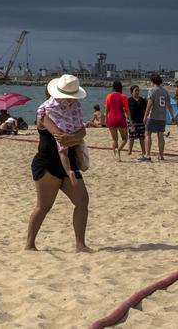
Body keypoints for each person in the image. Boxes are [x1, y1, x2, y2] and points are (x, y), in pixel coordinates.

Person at [26, 74, 92, 253]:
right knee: (44, 206)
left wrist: (75, 136)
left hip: (69, 162)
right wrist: (74, 137)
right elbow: (61, 137)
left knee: (82, 201)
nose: (70, 101)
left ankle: (80, 244)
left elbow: (82, 131)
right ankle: (30, 244)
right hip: (48, 163)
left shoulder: (74, 109)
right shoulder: (44, 113)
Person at [144, 74, 173, 161]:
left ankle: (147, 155)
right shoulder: (165, 91)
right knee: (160, 135)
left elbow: (149, 105)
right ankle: (161, 155)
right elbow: (169, 105)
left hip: (153, 116)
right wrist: (172, 116)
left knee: (148, 134)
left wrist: (145, 116)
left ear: (152, 81)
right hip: (163, 116)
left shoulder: (152, 90)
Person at [104, 81, 129, 160]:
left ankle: (116, 157)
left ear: (113, 87)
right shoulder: (123, 97)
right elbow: (127, 110)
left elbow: (107, 109)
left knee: (114, 139)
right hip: (120, 118)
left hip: (111, 118)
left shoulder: (109, 96)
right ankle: (118, 150)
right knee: (124, 138)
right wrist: (130, 119)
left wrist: (106, 118)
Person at [126, 84, 148, 160]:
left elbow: (145, 110)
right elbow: (126, 111)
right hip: (132, 122)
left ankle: (143, 151)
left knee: (141, 137)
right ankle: (129, 151)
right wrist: (129, 120)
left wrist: (145, 118)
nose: (137, 92)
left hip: (141, 121)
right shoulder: (129, 100)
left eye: (138, 90)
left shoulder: (142, 100)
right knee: (131, 137)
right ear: (131, 92)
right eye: (136, 91)